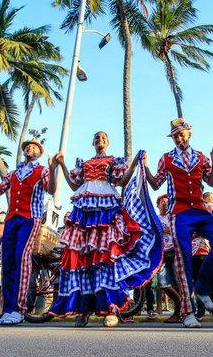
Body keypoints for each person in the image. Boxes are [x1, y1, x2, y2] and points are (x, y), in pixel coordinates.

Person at [48, 131, 162, 327]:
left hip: (106, 207)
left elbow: (122, 182)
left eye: (103, 138)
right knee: (83, 258)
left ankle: (111, 308)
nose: (100, 140)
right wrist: (63, 164)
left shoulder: (113, 161)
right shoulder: (83, 164)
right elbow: (73, 184)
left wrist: (134, 163)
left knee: (107, 258)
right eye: (97, 138)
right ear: (92, 143)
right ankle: (83, 310)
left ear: (107, 142)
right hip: (84, 208)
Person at [144, 118, 213, 328]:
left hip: (200, 210)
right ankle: (187, 311)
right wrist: (145, 166)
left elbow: (210, 182)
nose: (178, 138)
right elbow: (156, 184)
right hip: (179, 213)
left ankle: (201, 288)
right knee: (183, 260)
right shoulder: (166, 159)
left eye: (181, 134)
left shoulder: (201, 156)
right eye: (175, 135)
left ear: (189, 134)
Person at [0, 138, 57, 325]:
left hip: (30, 218)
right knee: (8, 262)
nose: (29, 148)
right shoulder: (13, 173)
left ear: (39, 153)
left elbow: (51, 189)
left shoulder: (42, 170)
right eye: (27, 146)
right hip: (12, 218)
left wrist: (53, 169)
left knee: (22, 259)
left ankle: (20, 309)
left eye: (34, 146)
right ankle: (8, 309)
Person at [155, 194, 181, 323]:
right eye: (162, 202)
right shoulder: (155, 219)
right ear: (158, 205)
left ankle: (179, 312)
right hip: (162, 254)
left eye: (167, 201)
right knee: (162, 283)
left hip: (175, 251)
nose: (165, 203)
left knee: (178, 282)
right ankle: (182, 305)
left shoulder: (175, 217)